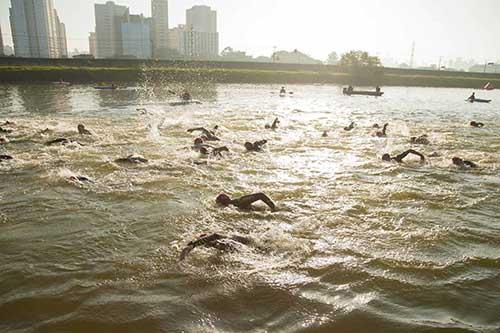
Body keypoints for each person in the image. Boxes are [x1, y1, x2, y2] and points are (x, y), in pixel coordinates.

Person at [179, 233, 254, 261]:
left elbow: (186, 249)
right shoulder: (213, 238)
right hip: (235, 238)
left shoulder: (202, 240)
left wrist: (181, 261)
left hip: (228, 242)